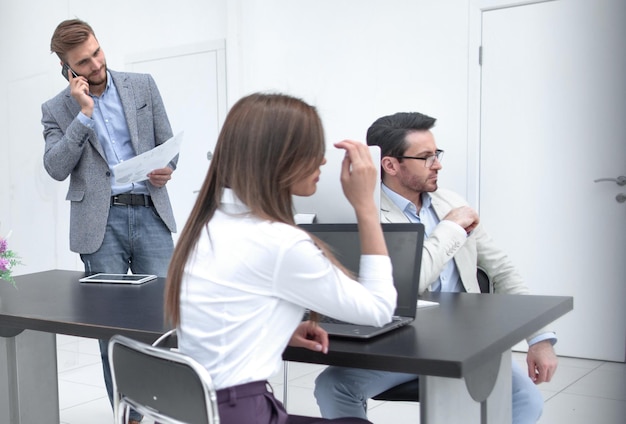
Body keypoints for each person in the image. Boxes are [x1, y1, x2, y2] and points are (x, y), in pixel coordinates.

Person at [164, 92, 396, 424]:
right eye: (314, 151)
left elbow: (215, 317)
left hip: (194, 410)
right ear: (281, 158)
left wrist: (276, 328)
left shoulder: (207, 225)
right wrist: (366, 206)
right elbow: (378, 309)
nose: (323, 161)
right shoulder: (280, 242)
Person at [314, 112, 559, 424]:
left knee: (526, 399)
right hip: (401, 346)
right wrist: (452, 230)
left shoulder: (450, 202)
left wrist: (539, 339)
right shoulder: (368, 214)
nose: (438, 164)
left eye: (437, 154)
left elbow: (502, 270)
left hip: (470, 341)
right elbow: (405, 282)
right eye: (426, 157)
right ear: (390, 165)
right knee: (333, 385)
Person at [42, 19, 177, 424]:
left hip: (151, 213)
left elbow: (167, 144)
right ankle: (130, 417)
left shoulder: (142, 85)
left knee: (166, 321)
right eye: (84, 62)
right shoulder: (56, 109)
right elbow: (55, 167)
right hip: (100, 229)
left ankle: (172, 407)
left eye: (97, 52)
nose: (97, 64)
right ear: (67, 69)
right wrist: (84, 116)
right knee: (111, 331)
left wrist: (166, 166)